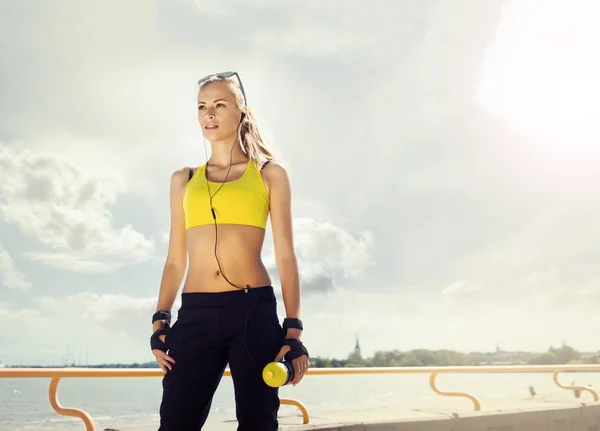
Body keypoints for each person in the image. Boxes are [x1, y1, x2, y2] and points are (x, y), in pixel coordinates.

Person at [150, 71, 309, 431]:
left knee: (257, 421)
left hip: (252, 309)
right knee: (175, 421)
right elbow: (176, 259)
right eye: (203, 107)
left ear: (242, 111)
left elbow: (286, 255)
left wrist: (294, 331)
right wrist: (160, 319)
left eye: (220, 105)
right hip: (196, 314)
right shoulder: (184, 180)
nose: (210, 113)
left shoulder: (269, 174)